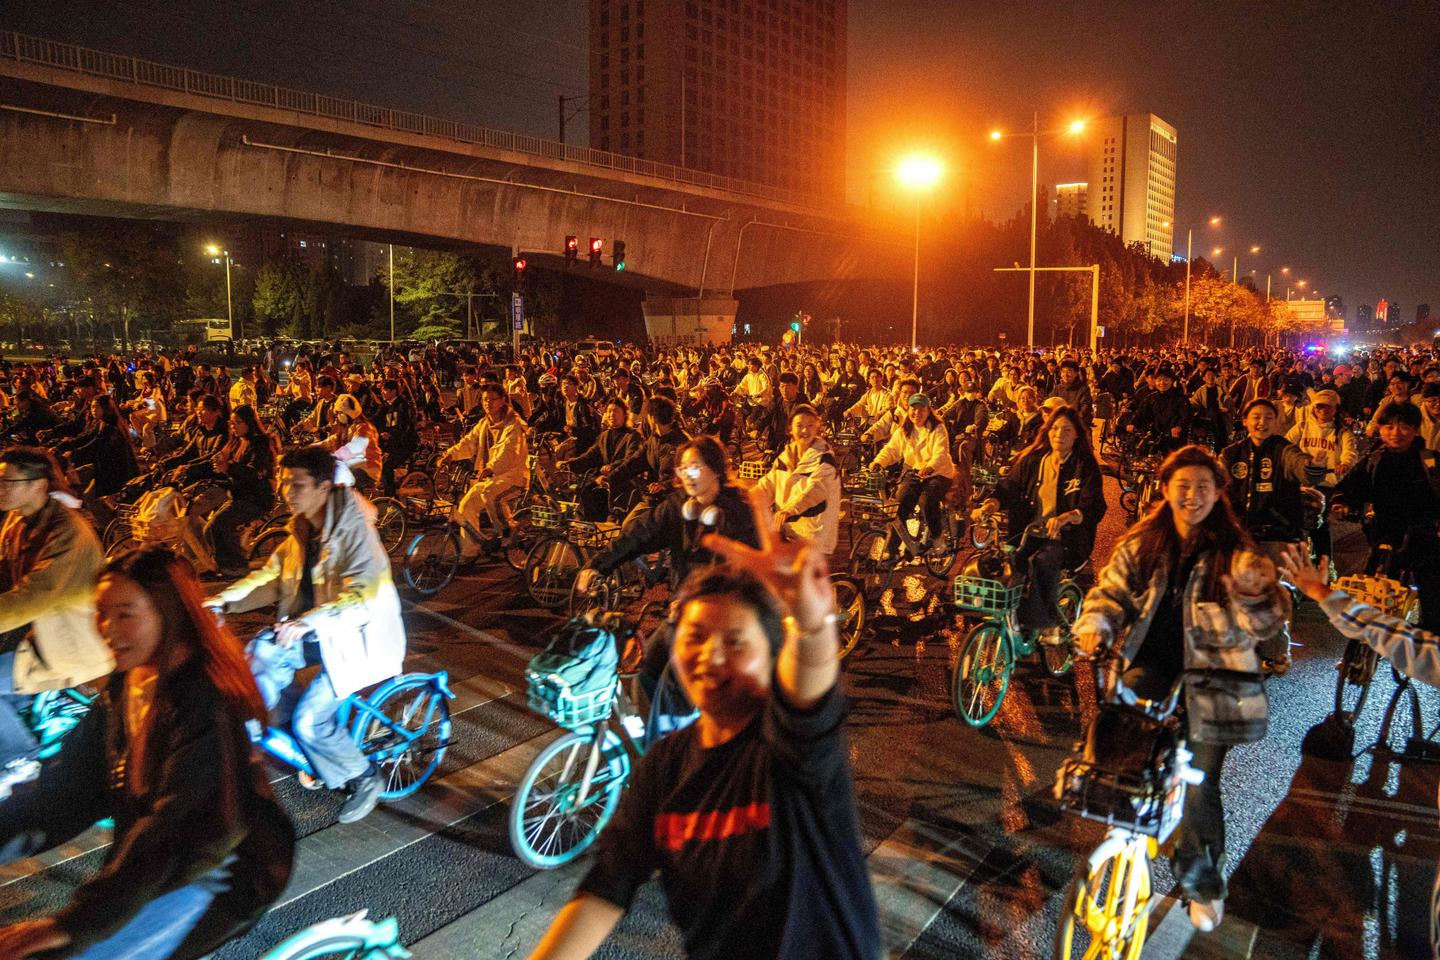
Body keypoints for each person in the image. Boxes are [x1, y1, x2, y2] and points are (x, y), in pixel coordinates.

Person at [528, 493, 881, 960]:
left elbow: (810, 697)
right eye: (695, 637)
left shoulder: (791, 750)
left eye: (735, 641)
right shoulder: (664, 767)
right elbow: (608, 884)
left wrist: (810, 622)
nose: (709, 656)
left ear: (773, 654)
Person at [0, 547, 294, 960]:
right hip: (156, 862)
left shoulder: (208, 703)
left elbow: (175, 833)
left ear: (168, 611)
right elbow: (68, 789)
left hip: (218, 870)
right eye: (100, 612)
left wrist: (77, 925)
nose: (106, 628)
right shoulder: (129, 683)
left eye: (125, 614)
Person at [1074, 444, 1289, 932]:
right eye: (1183, 485)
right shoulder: (1144, 540)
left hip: (1216, 679)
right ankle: (1129, 825)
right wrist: (1097, 624)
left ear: (1218, 494)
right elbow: (1112, 590)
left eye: (1203, 486)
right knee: (1116, 738)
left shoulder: (1236, 552)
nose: (1192, 496)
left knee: (1197, 782)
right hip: (1152, 664)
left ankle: (1202, 883)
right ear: (1166, 489)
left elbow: (1268, 617)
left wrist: (1270, 628)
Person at [210, 446, 406, 824]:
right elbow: (270, 578)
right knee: (259, 662)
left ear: (324, 487)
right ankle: (279, 744)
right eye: (284, 483)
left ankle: (362, 776)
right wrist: (222, 602)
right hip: (317, 630)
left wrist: (308, 622)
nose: (287, 492)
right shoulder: (301, 529)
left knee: (309, 720)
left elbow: (364, 596)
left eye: (296, 484)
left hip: (356, 640)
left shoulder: (354, 533)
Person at [576, 436, 760, 699]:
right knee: (646, 675)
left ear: (716, 469)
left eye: (695, 467)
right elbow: (640, 534)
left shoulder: (739, 513)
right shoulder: (679, 506)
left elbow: (741, 571)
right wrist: (597, 566)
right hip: (684, 611)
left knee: (677, 690)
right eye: (682, 469)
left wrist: (698, 597)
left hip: (723, 620)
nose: (687, 475)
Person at [0, 448, 113, 769]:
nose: (2, 488)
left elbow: (31, 597)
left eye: (9, 482)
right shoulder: (17, 521)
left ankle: (21, 760)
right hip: (35, 636)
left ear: (38, 485)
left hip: (71, 643)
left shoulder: (67, 533)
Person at [974, 405, 1106, 634]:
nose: (1059, 435)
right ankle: (1010, 615)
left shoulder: (1084, 465)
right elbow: (1009, 487)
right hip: (1026, 535)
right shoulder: (1032, 459)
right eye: (1055, 429)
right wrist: (991, 503)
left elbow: (1094, 504)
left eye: (1066, 430)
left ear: (1077, 434)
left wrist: (1069, 516)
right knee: (992, 563)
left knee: (1041, 562)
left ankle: (1039, 623)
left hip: (1066, 541)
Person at [1329, 400, 1440, 632]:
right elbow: (1351, 487)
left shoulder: (1430, 461)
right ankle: (1358, 653)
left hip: (1423, 538)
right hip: (1382, 535)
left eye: (1403, 426)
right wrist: (1342, 503)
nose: (1395, 433)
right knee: (1368, 594)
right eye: (1388, 427)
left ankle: (1427, 655)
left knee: (1432, 598)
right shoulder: (1374, 460)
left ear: (1415, 430)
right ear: (1380, 429)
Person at [437, 383, 529, 558]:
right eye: (485, 400)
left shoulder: (513, 424)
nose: (488, 403)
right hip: (489, 477)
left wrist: (490, 468)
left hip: (513, 476)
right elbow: (468, 443)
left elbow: (509, 452)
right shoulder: (484, 423)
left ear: (502, 400)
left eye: (493, 399)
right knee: (465, 506)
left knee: (490, 494)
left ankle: (510, 531)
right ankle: (470, 551)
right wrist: (449, 455)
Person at [868, 393, 956, 553]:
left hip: (939, 473)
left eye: (921, 409)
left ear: (928, 411)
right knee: (897, 507)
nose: (917, 413)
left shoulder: (938, 428)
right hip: (915, 472)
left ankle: (937, 536)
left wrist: (930, 467)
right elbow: (891, 450)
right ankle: (891, 550)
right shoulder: (904, 430)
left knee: (926, 501)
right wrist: (878, 462)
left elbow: (941, 452)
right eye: (913, 409)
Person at [753, 403, 841, 556]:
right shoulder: (785, 458)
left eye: (810, 425)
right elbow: (767, 485)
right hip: (788, 531)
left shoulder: (825, 460)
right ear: (790, 429)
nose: (805, 430)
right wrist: (746, 499)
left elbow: (814, 491)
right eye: (799, 425)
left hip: (814, 536)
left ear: (817, 428)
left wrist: (789, 510)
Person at [322, 394, 382, 494]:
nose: (337, 416)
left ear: (348, 413)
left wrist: (334, 456)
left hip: (367, 470)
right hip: (354, 466)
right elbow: (330, 442)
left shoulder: (364, 428)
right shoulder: (347, 429)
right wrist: (311, 448)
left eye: (339, 413)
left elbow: (354, 448)